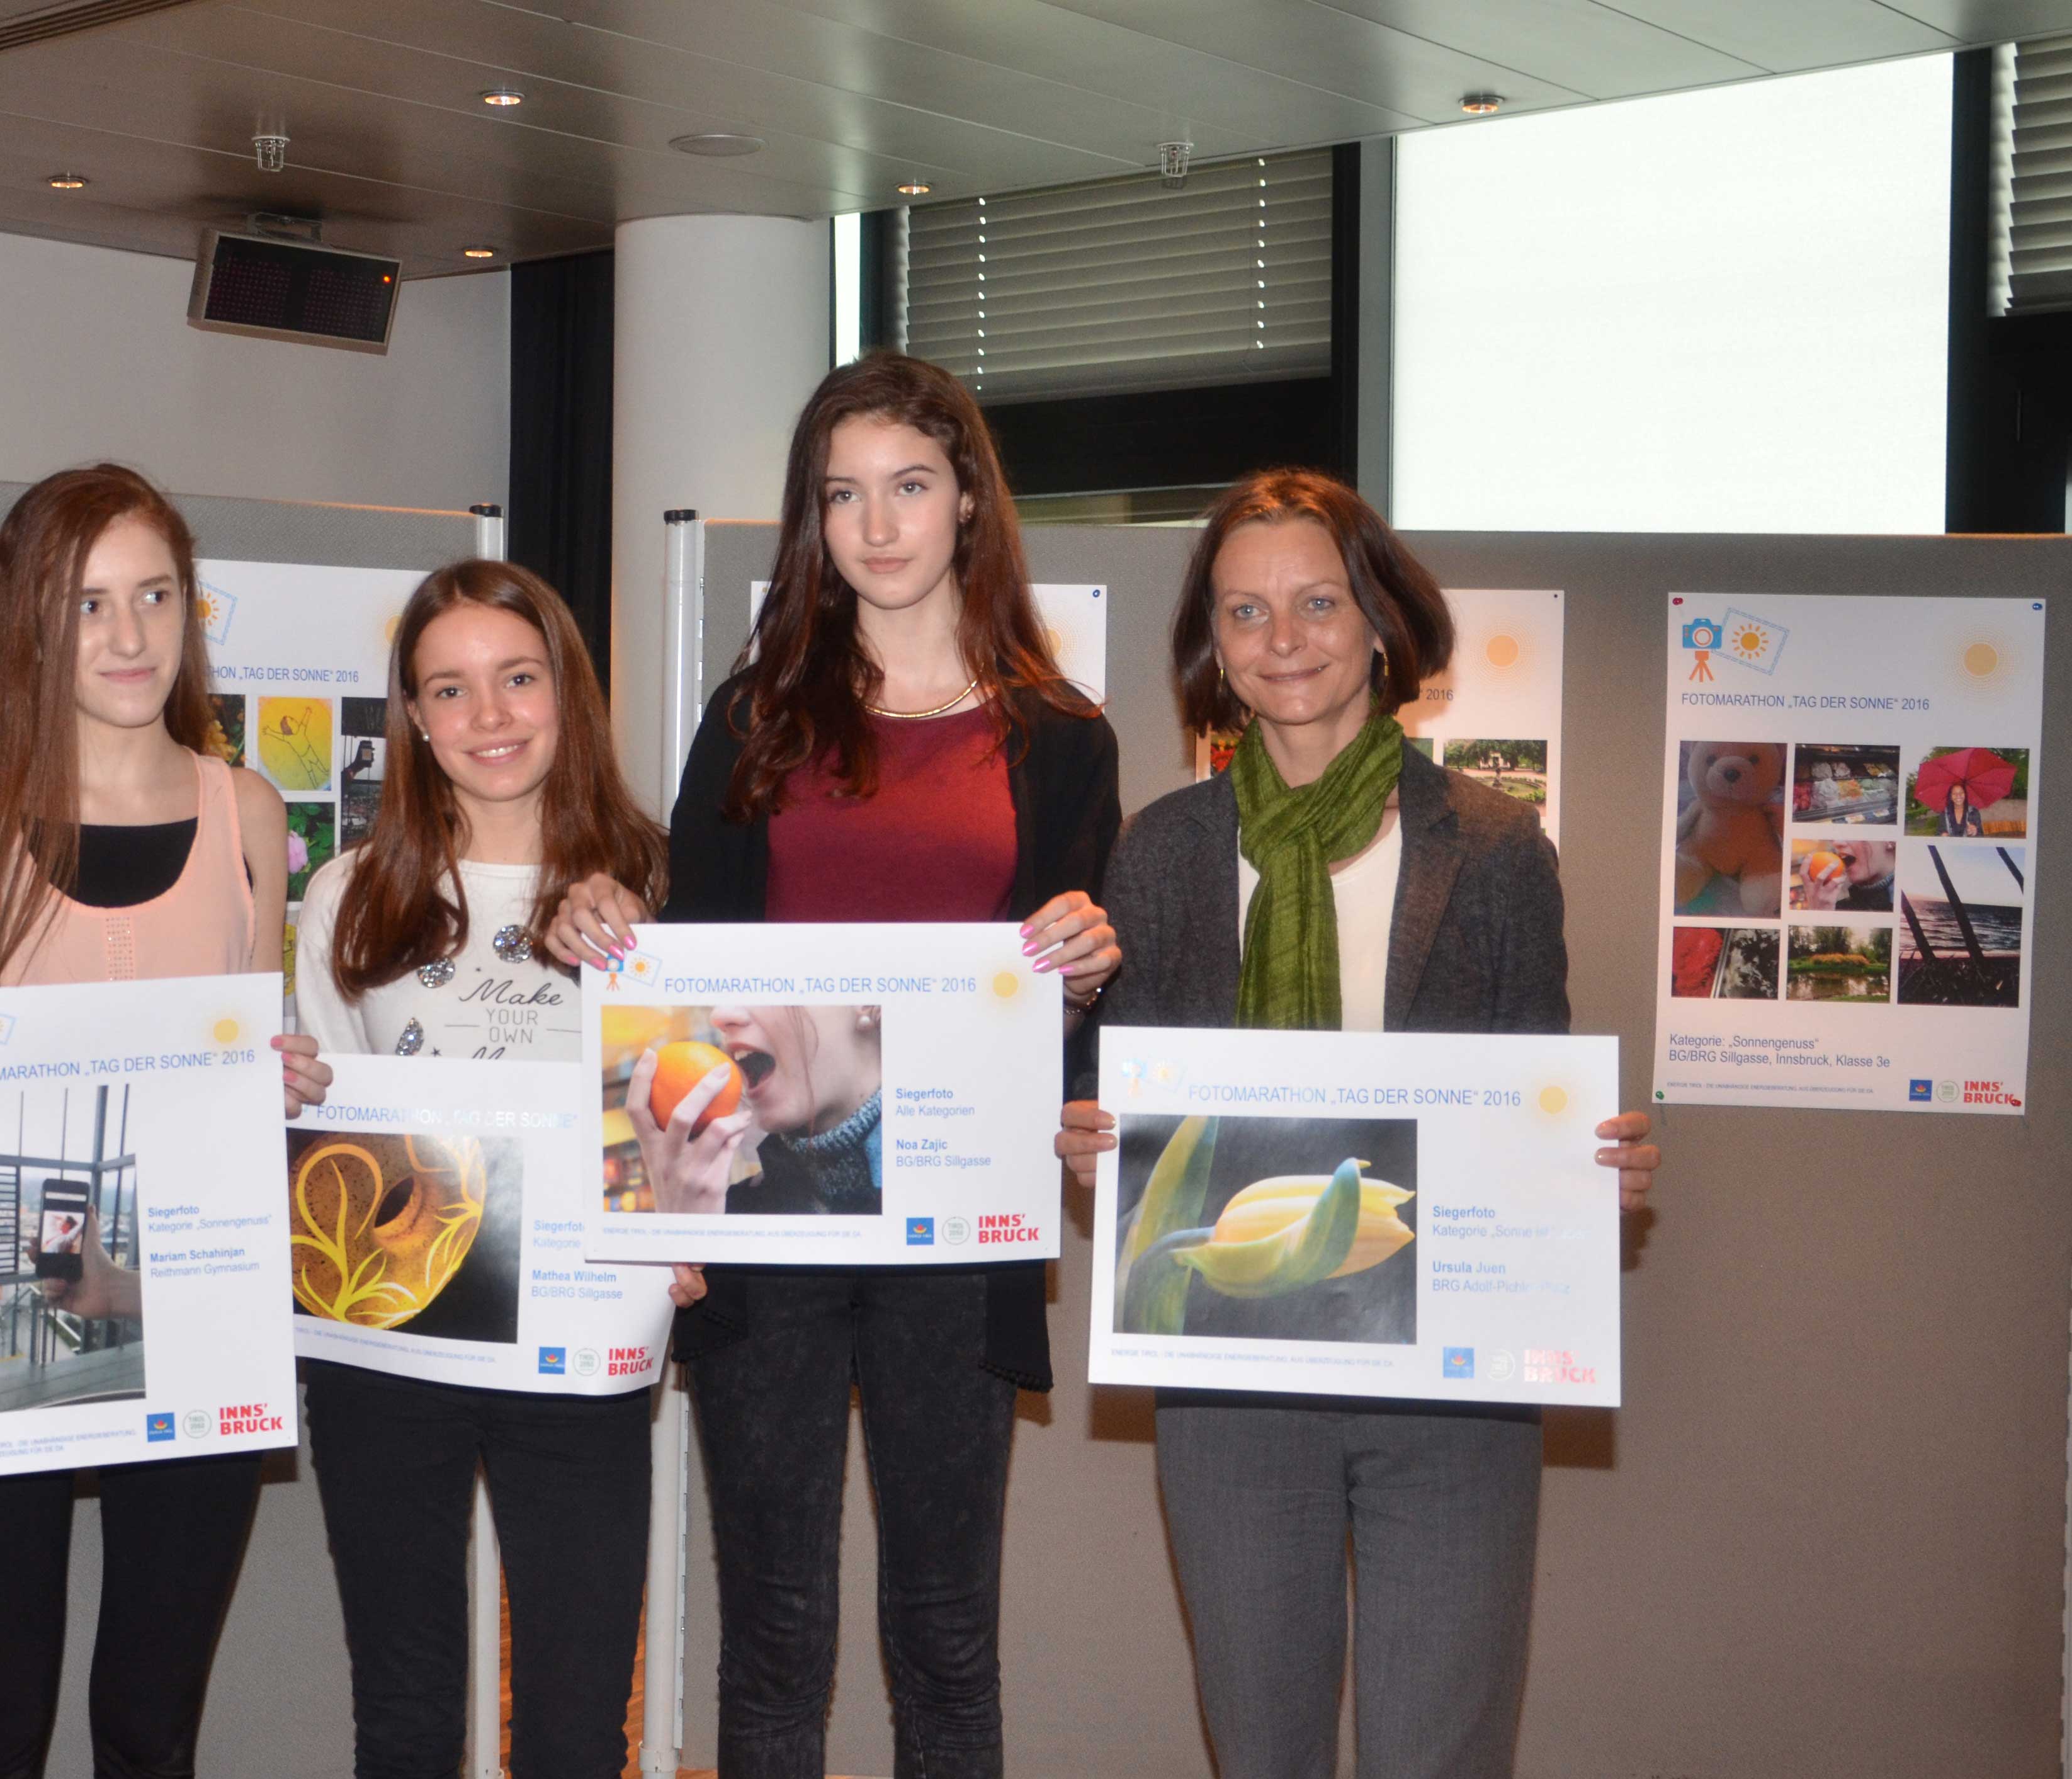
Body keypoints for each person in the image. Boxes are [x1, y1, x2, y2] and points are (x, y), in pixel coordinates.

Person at [548, 351, 1121, 1779]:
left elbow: (1067, 1021)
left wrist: (1087, 968)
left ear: (969, 503)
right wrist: (615, 952)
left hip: (955, 1217)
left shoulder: (1059, 740)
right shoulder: (753, 717)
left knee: (943, 1634)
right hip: (763, 1221)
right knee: (775, 1635)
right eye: (841, 493)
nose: (875, 525)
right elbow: (684, 975)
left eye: (908, 486)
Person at [1055, 468, 1663, 1779]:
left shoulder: (1492, 845)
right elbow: (1131, 1104)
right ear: (1209, 647)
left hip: (1448, 1379)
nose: (1283, 639)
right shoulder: (1161, 849)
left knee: (1433, 1748)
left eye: (1316, 600)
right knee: (1260, 1746)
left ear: (1378, 620)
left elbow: (1525, 1085)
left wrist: (1581, 1174)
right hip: (1233, 1377)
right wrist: (1100, 1149)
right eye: (1243, 611)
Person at [0, 463, 329, 1778]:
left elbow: (247, 1045)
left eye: (155, 595)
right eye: (86, 603)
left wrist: (279, 1074)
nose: (129, 636)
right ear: (28, 617)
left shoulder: (242, 807)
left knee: (150, 1725)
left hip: (192, 1307)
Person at [292, 558, 698, 1778]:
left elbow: (697, 1115)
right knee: (404, 1706)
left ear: (565, 689)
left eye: (517, 678)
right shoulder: (348, 895)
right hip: (389, 1338)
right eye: (449, 689)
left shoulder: (657, 885)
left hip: (581, 1338)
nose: (490, 717)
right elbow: (323, 1121)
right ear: (412, 716)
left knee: (577, 1715)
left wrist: (691, 1225)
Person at [620, 1003, 885, 1215]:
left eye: (766, 983)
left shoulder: (923, 1189)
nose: (720, 1014)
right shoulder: (727, 1213)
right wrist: (686, 1238)